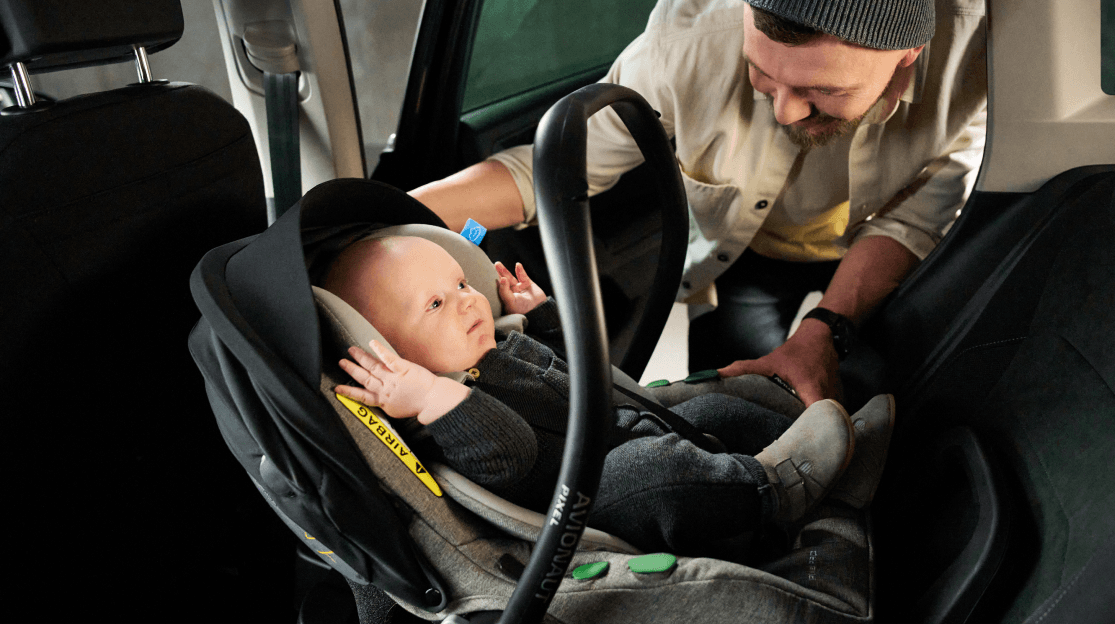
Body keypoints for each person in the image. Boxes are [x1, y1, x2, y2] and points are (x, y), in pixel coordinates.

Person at [407, 0, 987, 406]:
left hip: (884, 255)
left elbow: (915, 216)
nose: (784, 113)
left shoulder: (979, 57)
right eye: (762, 76)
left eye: (823, 91)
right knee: (738, 395)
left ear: (907, 53)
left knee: (878, 396)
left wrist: (825, 332)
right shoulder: (681, 48)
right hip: (747, 258)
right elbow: (552, 171)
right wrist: (387, 210)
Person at [324, 235, 893, 555]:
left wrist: (541, 318)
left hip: (622, 425)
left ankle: (841, 459)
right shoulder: (438, 414)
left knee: (714, 408)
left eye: (461, 284)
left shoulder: (494, 346)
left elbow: (574, 371)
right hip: (590, 499)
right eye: (436, 305)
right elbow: (513, 454)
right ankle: (776, 487)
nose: (469, 300)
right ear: (388, 354)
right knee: (655, 473)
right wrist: (428, 395)